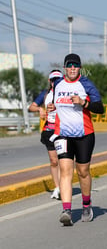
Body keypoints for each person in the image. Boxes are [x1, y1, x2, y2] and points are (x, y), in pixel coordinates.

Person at [51, 53, 104, 226]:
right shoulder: (57, 84)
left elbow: (100, 108)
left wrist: (84, 102)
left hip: (84, 134)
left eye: (75, 65)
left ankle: (87, 205)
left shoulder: (86, 84)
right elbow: (53, 102)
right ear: (65, 67)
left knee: (82, 172)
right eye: (70, 65)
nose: (72, 68)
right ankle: (66, 210)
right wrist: (51, 106)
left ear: (79, 67)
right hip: (63, 134)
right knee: (65, 170)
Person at [28, 69, 63, 200]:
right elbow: (31, 107)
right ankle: (57, 187)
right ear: (50, 81)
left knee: (64, 160)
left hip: (63, 130)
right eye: (53, 80)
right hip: (49, 130)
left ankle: (64, 186)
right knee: (54, 161)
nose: (56, 82)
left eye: (58, 79)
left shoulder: (66, 94)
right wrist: (39, 108)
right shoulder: (45, 93)